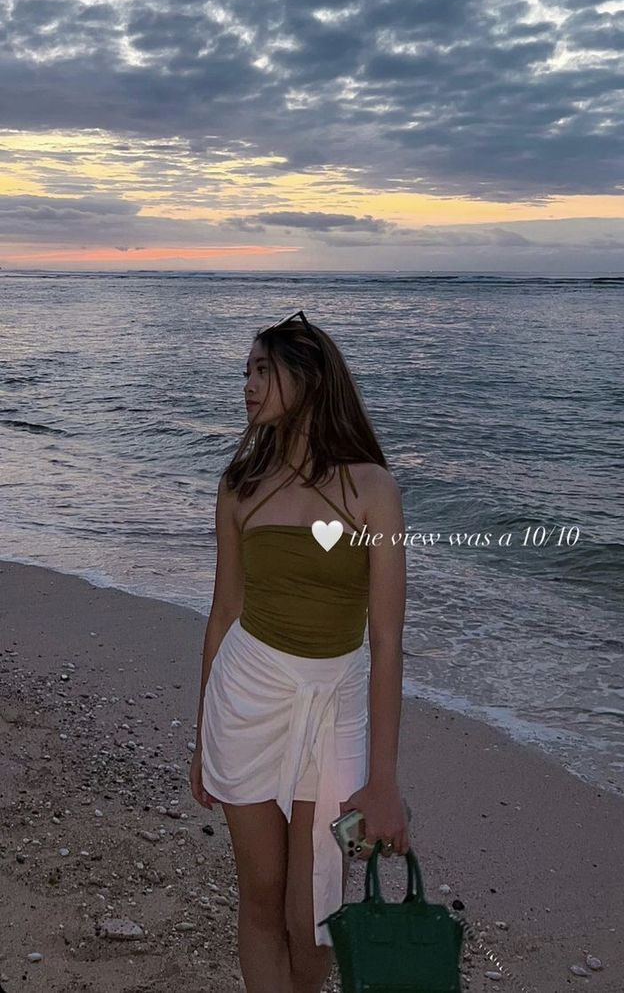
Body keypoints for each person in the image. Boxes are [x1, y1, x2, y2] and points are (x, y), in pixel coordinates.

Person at [189, 310, 410, 993]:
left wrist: (383, 781)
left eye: (263, 370)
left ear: (310, 381)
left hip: (335, 704)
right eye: (246, 372)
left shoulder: (370, 489)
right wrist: (201, 737)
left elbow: (387, 641)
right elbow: (225, 612)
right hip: (245, 700)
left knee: (313, 910)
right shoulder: (240, 486)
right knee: (259, 900)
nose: (249, 386)